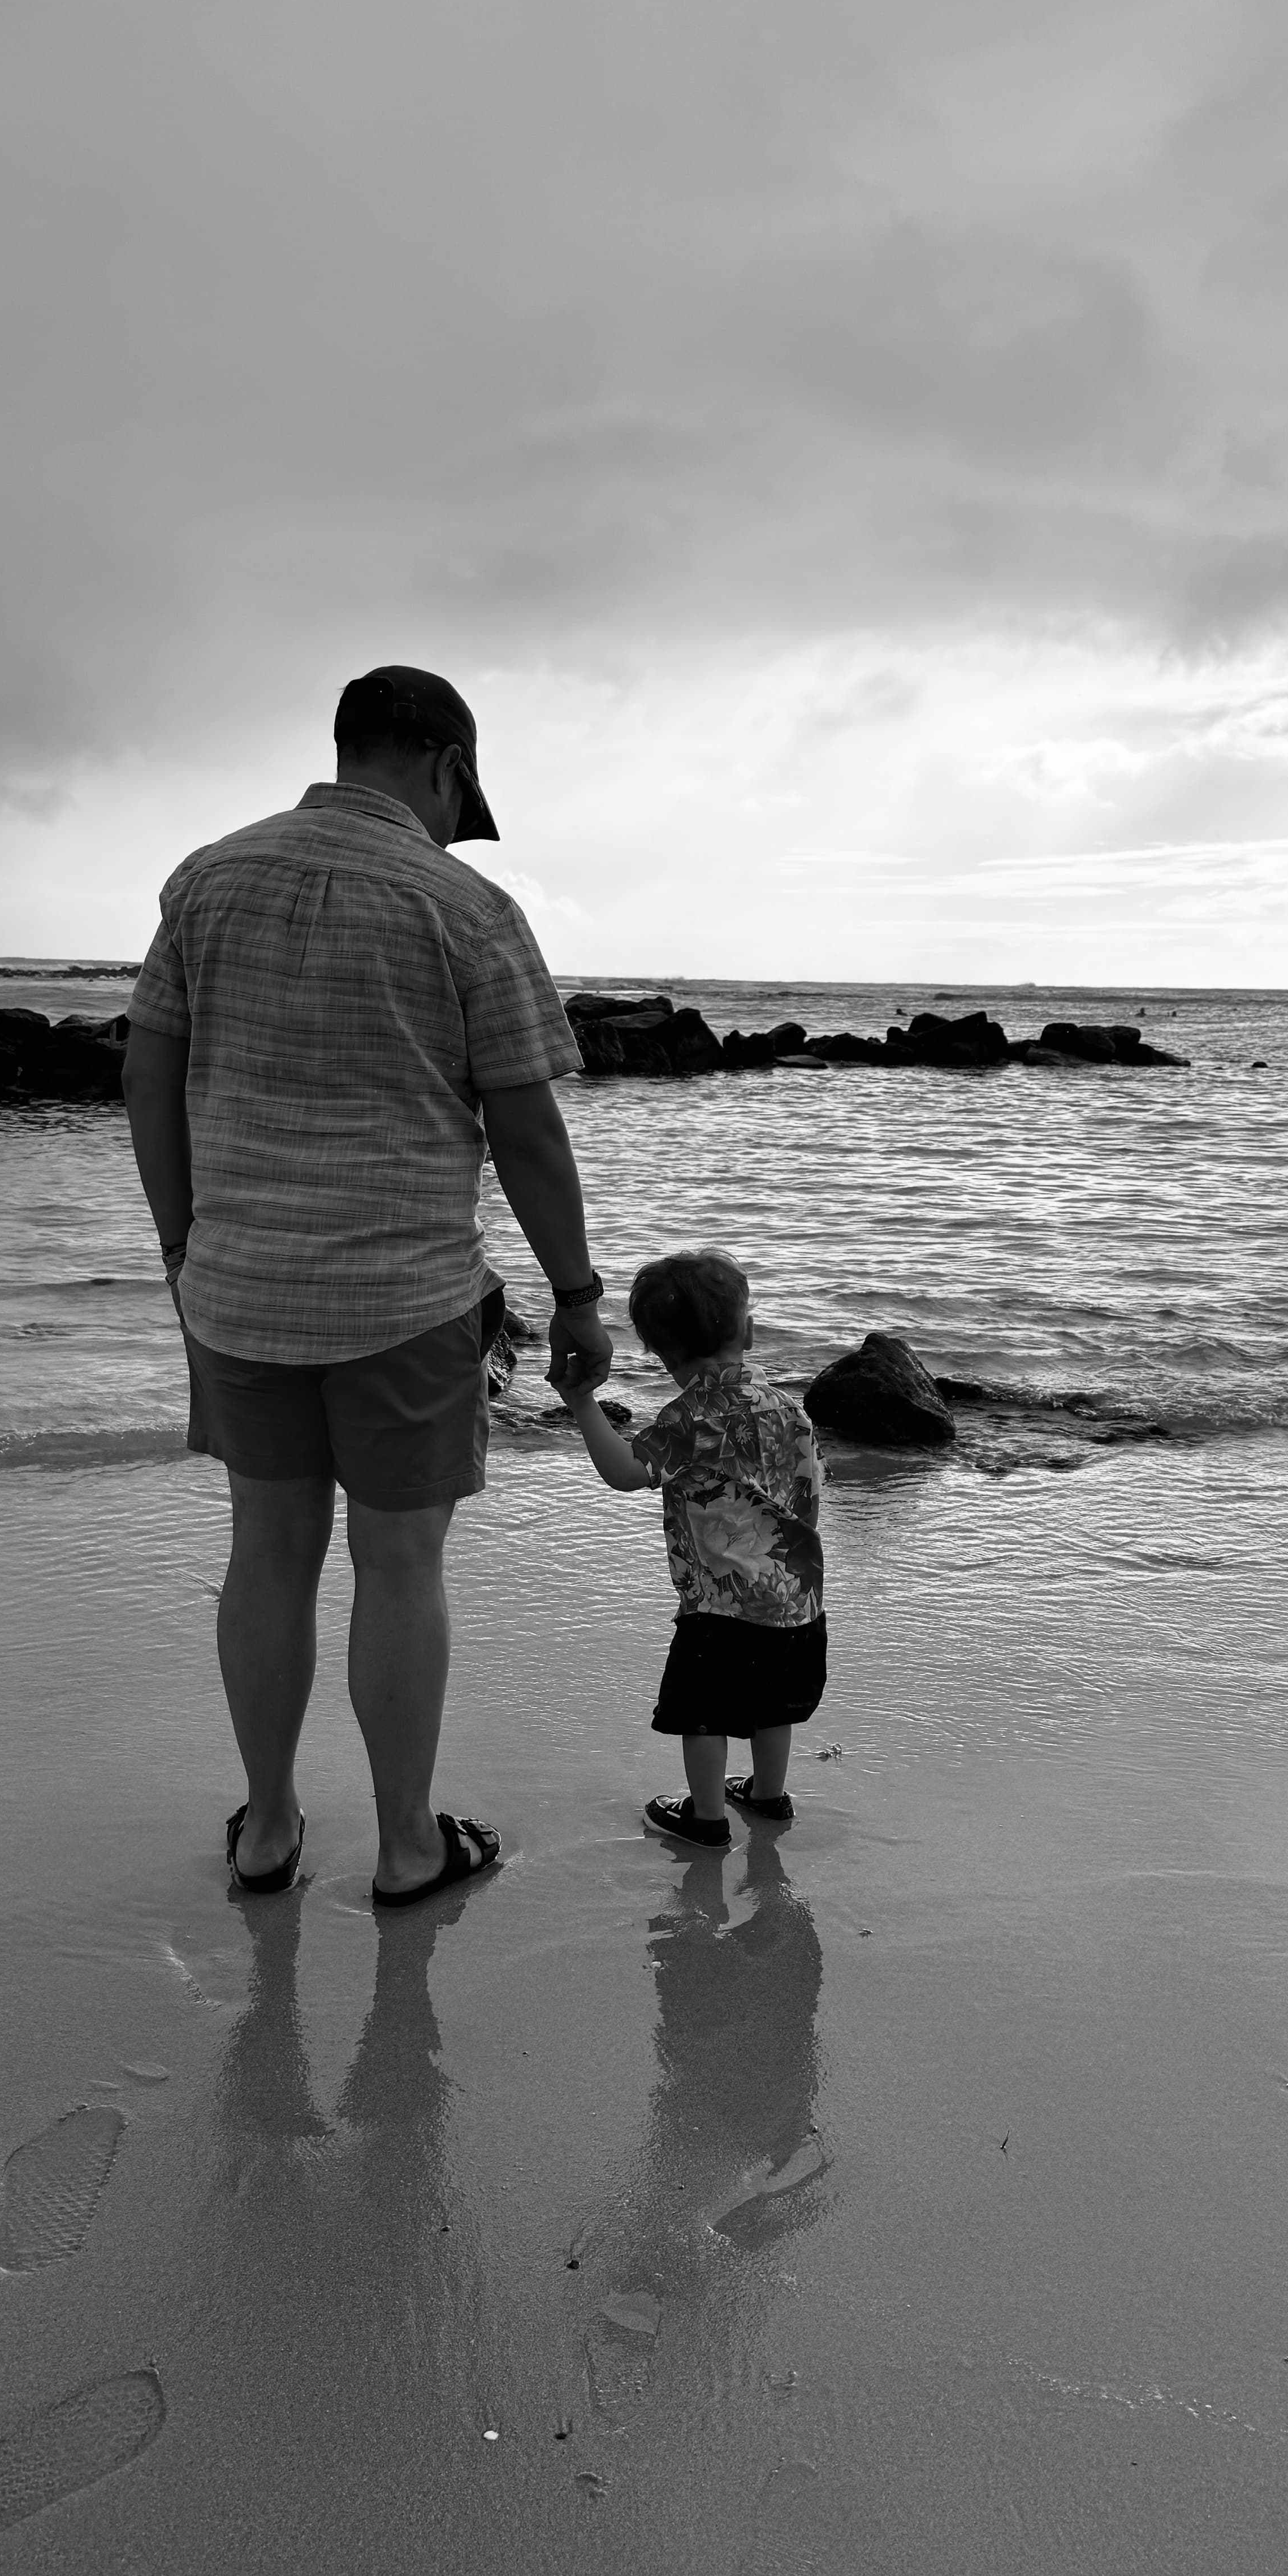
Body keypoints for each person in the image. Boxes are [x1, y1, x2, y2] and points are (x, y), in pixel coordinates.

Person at [122, 665, 612, 1906]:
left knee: (269, 1553)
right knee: (400, 1563)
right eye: (464, 796)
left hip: (240, 1292)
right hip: (406, 1296)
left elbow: (151, 1079)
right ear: (447, 765)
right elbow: (528, 1129)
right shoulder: (466, 905)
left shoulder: (206, 880)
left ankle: (270, 1831)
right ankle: (406, 1846)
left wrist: (184, 1247)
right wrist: (579, 1294)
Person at [554, 1248, 825, 1847]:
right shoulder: (792, 1411)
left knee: (705, 1710)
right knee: (770, 1705)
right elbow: (808, 1492)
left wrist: (581, 1402)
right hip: (794, 1597)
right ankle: (767, 1794)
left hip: (720, 1603)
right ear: (748, 1331)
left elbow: (627, 1471)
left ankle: (706, 1817)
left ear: (656, 1352)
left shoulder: (689, 1419)